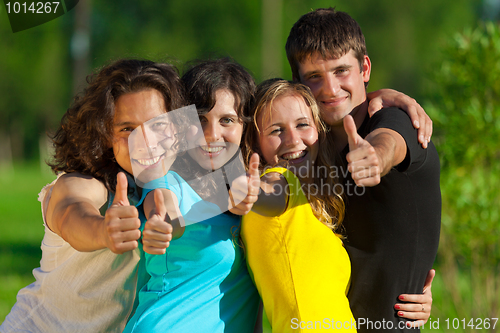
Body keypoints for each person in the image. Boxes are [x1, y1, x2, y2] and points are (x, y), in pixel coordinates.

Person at [0, 59, 185, 333]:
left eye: (157, 125)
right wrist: (103, 231)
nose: (145, 140)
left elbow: (172, 217)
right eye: (127, 129)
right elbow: (70, 213)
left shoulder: (170, 184)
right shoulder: (84, 184)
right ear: (103, 133)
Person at [285, 8, 441, 332]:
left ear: (364, 68)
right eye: (314, 77)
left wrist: (375, 158)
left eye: (342, 71)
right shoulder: (303, 147)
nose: (330, 88)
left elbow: (390, 143)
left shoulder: (396, 119)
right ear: (297, 84)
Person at [123, 58, 261, 333]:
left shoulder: (251, 184)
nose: (212, 135)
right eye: (199, 120)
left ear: (245, 126)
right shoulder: (165, 179)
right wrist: (160, 226)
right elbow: (163, 209)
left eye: (227, 120)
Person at [241, 79, 356, 331]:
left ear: (319, 130)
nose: (293, 139)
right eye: (276, 130)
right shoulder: (279, 181)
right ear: (256, 143)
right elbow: (268, 192)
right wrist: (247, 192)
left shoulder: (312, 203)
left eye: (302, 125)